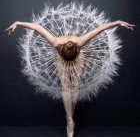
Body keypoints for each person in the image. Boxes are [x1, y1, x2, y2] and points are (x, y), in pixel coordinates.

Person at [5, 20, 135, 137]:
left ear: (78, 49)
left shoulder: (81, 41)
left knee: (76, 83)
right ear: (60, 50)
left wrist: (118, 22)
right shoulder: (56, 43)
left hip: (79, 58)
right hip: (62, 58)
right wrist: (17, 23)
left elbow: (100, 29)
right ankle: (70, 119)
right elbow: (36, 27)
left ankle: (70, 117)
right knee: (66, 85)